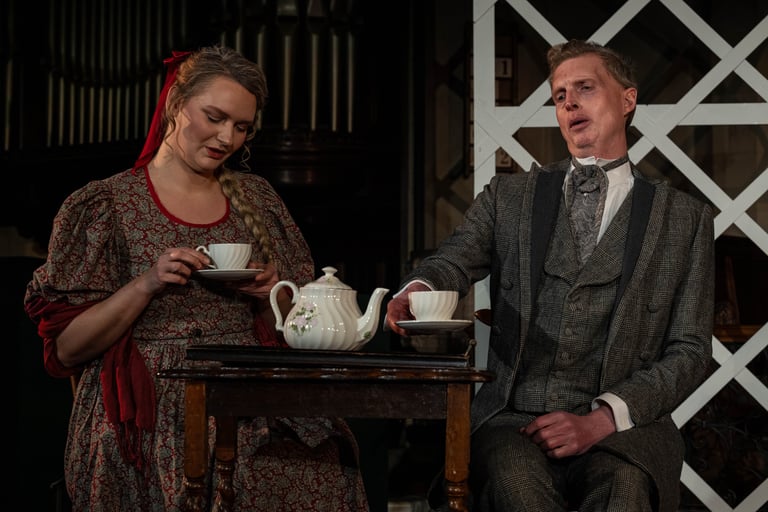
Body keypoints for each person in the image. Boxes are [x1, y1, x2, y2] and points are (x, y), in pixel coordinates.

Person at [24, 45, 368, 511]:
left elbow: (304, 324)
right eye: (214, 117)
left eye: (242, 127)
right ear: (175, 104)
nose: (227, 137)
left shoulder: (258, 198)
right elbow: (67, 349)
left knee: (322, 463)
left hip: (250, 389)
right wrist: (147, 283)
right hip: (154, 403)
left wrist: (273, 295)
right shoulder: (106, 204)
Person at [386, 39, 714, 512]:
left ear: (628, 100)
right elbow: (452, 260)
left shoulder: (685, 219)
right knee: (518, 486)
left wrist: (602, 419)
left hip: (624, 429)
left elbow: (690, 350)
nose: (570, 102)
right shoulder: (509, 197)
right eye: (560, 95)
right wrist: (419, 288)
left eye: (585, 88)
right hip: (513, 418)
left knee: (624, 489)